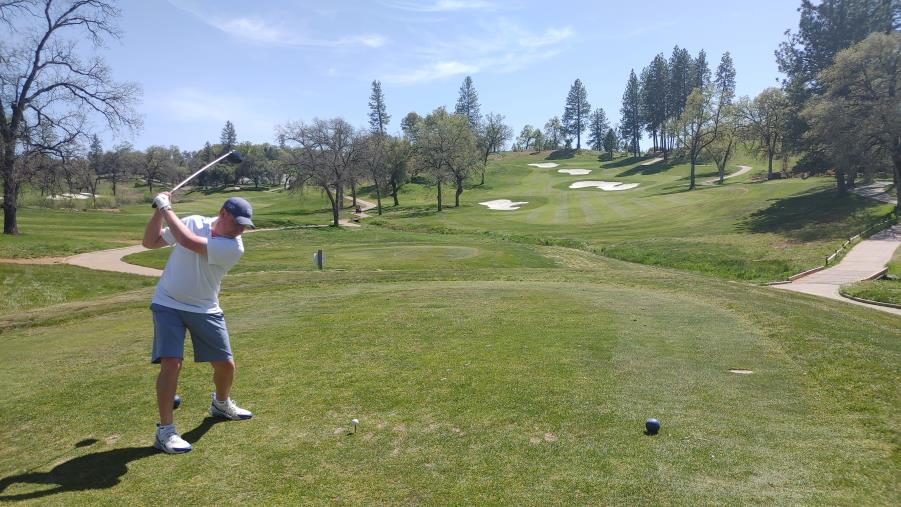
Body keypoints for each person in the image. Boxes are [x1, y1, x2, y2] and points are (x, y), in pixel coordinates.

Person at [142, 193, 255, 454]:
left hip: (205, 307)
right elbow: (150, 242)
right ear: (222, 213)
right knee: (171, 363)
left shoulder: (234, 247)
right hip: (168, 302)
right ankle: (165, 431)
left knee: (225, 365)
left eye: (244, 226)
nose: (240, 230)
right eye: (237, 223)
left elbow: (188, 241)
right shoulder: (193, 221)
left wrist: (166, 207)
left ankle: (221, 404)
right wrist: (158, 212)